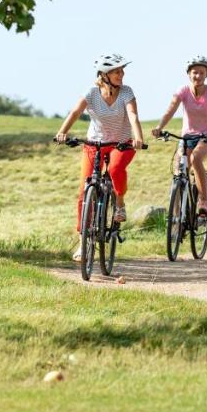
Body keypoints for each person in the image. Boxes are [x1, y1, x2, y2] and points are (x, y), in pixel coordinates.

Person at [54, 54, 147, 261]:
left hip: (121, 144)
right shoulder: (92, 92)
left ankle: (120, 203)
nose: (121, 74)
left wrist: (138, 137)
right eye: (117, 71)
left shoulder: (126, 92)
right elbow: (75, 112)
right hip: (94, 144)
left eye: (122, 70)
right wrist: (62, 132)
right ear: (104, 75)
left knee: (114, 169)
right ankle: (83, 242)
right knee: (83, 191)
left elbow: (132, 115)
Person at [151, 55, 207, 223]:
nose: (198, 76)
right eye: (194, 72)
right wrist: (160, 127)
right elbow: (170, 110)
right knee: (178, 172)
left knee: (196, 158)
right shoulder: (183, 90)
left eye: (201, 73)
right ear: (188, 74)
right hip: (187, 137)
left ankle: (203, 202)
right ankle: (175, 218)